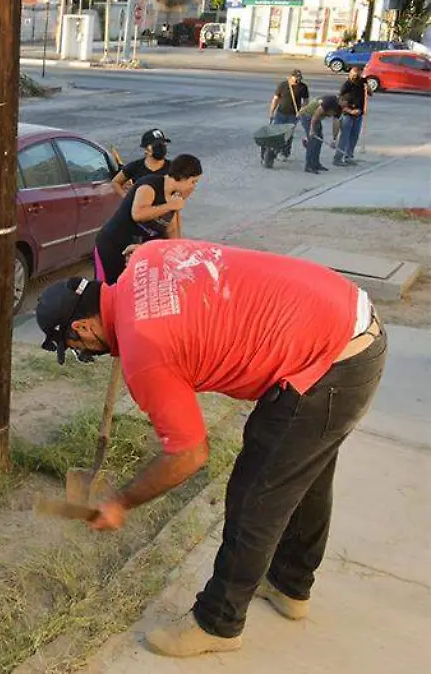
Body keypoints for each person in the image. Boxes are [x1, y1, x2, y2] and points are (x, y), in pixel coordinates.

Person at [36, 238, 386, 658]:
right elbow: (160, 251)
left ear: (82, 328)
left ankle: (219, 624)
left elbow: (188, 453)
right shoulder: (147, 257)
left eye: (75, 349)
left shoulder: (143, 352)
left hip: (331, 361)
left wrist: (121, 502)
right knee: (300, 473)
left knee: (256, 495)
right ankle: (291, 586)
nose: (83, 354)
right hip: (348, 318)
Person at [92, 154, 202, 285]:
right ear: (182, 178)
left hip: (135, 250)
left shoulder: (175, 197)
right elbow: (138, 213)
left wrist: (180, 256)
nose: (194, 187)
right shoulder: (149, 185)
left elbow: (172, 229)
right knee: (110, 289)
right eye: (193, 182)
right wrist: (170, 205)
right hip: (113, 245)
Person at [112, 129, 172, 197]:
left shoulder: (174, 167)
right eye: (157, 145)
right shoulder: (136, 166)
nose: (162, 148)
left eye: (163, 144)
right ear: (146, 149)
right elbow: (115, 182)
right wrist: (126, 197)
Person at [268, 70, 309, 159]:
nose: (298, 80)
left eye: (299, 78)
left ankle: (285, 153)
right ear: (291, 77)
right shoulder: (283, 85)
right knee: (277, 133)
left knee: (288, 135)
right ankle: (274, 152)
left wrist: (301, 110)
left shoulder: (303, 87)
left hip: (293, 115)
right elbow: (275, 99)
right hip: (280, 113)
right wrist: (271, 112)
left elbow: (306, 101)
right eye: (296, 78)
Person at [298, 94, 343, 174]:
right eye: (346, 103)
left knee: (319, 140)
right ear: (342, 100)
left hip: (316, 119)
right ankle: (309, 166)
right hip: (308, 116)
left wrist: (334, 139)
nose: (346, 106)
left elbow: (336, 123)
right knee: (313, 141)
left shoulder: (340, 107)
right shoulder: (330, 101)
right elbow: (316, 115)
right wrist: (311, 130)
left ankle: (316, 164)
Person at [334, 67, 369, 166]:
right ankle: (338, 158)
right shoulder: (346, 85)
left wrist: (367, 88)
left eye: (357, 75)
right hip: (347, 114)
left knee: (354, 136)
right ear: (350, 74)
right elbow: (339, 101)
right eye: (353, 75)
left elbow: (370, 93)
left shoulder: (363, 81)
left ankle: (349, 156)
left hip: (359, 115)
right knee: (344, 137)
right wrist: (351, 111)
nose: (355, 77)